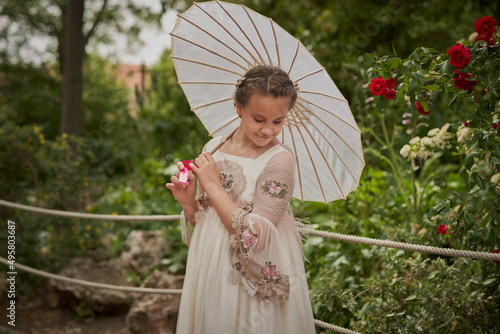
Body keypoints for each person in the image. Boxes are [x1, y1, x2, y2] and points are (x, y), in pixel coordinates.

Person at [166, 65, 316, 334]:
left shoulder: (279, 160)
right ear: (238, 107)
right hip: (209, 261)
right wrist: (189, 202)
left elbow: (255, 238)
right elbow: (205, 222)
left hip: (250, 272)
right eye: (259, 119)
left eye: (278, 121)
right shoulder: (213, 148)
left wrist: (213, 186)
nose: (268, 130)